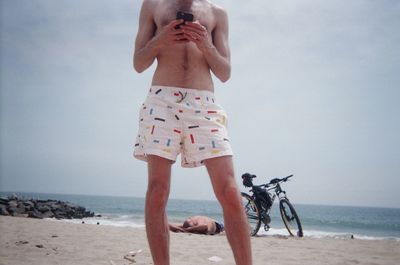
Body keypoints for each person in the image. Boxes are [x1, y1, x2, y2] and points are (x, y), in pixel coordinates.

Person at [132, 0, 252, 264]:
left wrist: (205, 44)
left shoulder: (217, 13)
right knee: (157, 192)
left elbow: (225, 72)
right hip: (161, 102)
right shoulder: (153, 5)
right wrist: (162, 38)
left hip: (204, 105)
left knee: (230, 191)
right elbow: (139, 63)